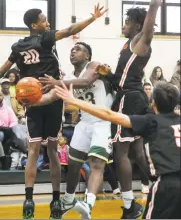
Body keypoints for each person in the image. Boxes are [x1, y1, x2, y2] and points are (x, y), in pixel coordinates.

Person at [0, 3, 107, 219]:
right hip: (51, 99)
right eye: (44, 20)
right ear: (34, 25)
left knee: (33, 151)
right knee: (52, 150)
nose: (48, 23)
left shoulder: (17, 47)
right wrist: (92, 18)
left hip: (32, 102)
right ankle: (55, 199)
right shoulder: (45, 37)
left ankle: (28, 199)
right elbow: (70, 30)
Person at [95, 0, 180, 219]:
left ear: (136, 25)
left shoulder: (142, 40)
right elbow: (123, 77)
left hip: (129, 98)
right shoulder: (127, 45)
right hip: (132, 95)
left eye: (126, 22)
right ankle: (151, 184)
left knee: (121, 151)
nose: (123, 25)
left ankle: (130, 205)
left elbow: (153, 7)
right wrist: (107, 74)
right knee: (136, 151)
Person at [55, 81, 181, 219]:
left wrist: (74, 101)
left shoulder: (151, 121)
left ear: (153, 103)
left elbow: (108, 114)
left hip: (166, 184)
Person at [33, 42, 114, 218]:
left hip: (103, 121)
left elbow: (85, 81)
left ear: (87, 56)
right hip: (84, 123)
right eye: (71, 50)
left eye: (78, 49)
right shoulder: (68, 77)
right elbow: (52, 96)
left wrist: (56, 81)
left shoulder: (94, 66)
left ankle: (89, 203)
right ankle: (68, 200)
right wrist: (31, 101)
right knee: (74, 164)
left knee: (97, 163)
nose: (73, 52)